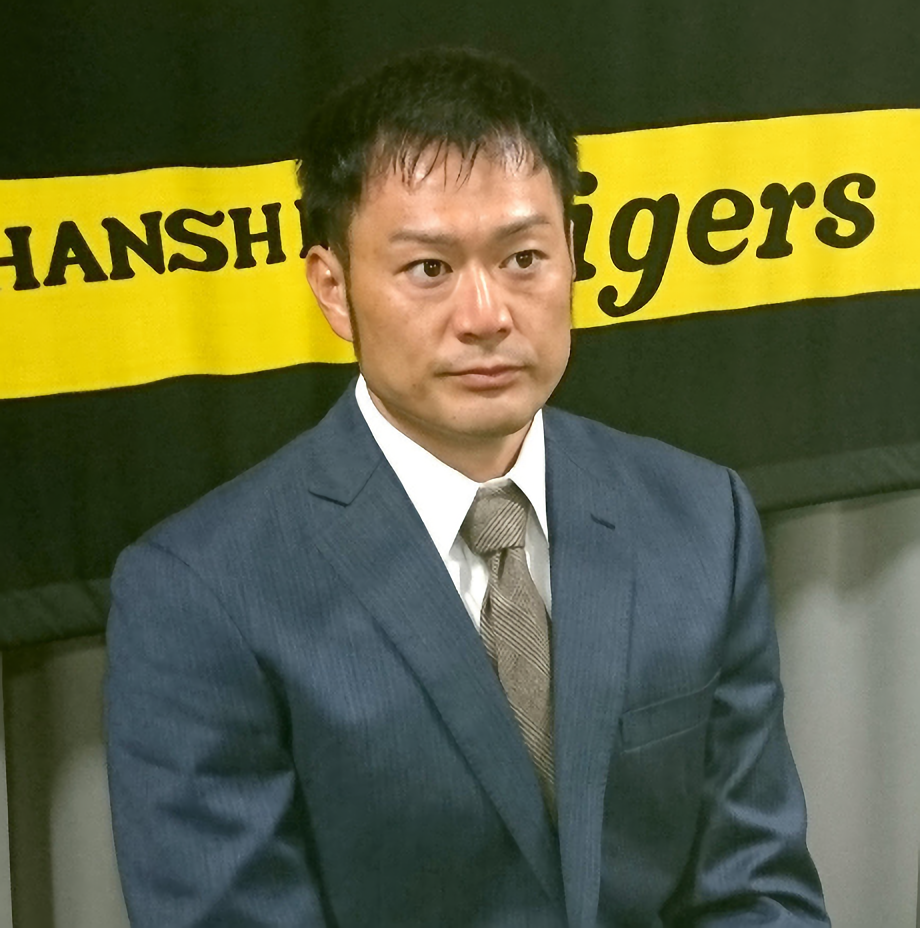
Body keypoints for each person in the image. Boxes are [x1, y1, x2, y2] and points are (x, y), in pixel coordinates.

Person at [105, 48, 830, 927]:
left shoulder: (701, 520)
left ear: (573, 256)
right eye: (429, 269)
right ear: (333, 288)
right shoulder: (201, 592)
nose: (486, 315)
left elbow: (758, 889)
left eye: (523, 257)